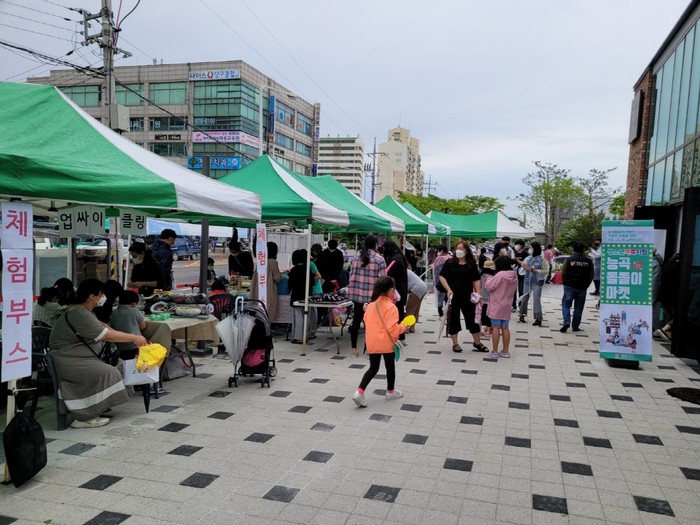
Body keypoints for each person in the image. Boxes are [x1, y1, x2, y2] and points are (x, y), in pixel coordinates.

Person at [49, 279, 148, 429]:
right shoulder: (78, 313)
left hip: (81, 357)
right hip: (68, 361)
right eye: (101, 295)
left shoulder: (83, 311)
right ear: (92, 296)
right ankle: (84, 417)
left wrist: (134, 338)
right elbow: (106, 335)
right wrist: (134, 338)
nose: (103, 298)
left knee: (119, 365)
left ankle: (100, 406)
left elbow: (105, 328)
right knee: (108, 372)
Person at [351, 276, 407, 407]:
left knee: (373, 368)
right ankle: (390, 392)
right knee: (390, 367)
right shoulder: (391, 307)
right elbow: (392, 329)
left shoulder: (371, 305)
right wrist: (404, 327)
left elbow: (366, 320)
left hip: (372, 342)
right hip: (386, 342)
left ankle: (359, 392)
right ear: (390, 291)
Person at [439, 240, 488, 353]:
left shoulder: (471, 264)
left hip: (468, 296)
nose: (458, 251)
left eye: (461, 249)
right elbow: (442, 276)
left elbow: (476, 280)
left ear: (466, 250)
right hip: (452, 296)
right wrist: (448, 289)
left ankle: (477, 342)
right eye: (457, 248)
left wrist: (478, 295)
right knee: (453, 319)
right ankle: (455, 343)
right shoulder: (449, 263)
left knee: (472, 319)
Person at [347, 234, 386, 358]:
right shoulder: (379, 259)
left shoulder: (356, 258)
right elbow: (383, 280)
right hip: (372, 297)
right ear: (375, 245)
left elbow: (351, 275)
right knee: (371, 323)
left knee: (356, 321)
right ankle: (369, 348)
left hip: (357, 295)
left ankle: (354, 349)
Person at [110, 290, 172, 360]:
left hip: (119, 348)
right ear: (133, 304)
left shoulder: (114, 313)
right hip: (135, 347)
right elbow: (143, 327)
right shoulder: (134, 311)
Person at [484, 256, 519, 358]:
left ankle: (495, 351)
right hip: (507, 304)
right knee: (505, 328)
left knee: (496, 327)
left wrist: (488, 280)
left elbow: (490, 286)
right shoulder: (514, 275)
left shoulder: (500, 275)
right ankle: (505, 351)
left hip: (497, 304)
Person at [560, 242, 594, 332]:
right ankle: (575, 326)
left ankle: (566, 322)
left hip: (569, 286)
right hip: (582, 287)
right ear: (583, 250)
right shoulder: (588, 261)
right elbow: (591, 275)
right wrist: (586, 285)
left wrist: (565, 282)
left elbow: (564, 272)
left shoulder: (569, 260)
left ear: (573, 249)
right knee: (578, 308)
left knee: (566, 305)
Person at [287, 249, 317, 346]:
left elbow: (290, 284)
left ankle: (298, 337)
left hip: (296, 296)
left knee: (298, 318)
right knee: (306, 316)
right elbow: (312, 283)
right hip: (307, 295)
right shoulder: (307, 269)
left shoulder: (294, 270)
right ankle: (306, 335)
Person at [382, 240, 408, 340]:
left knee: (396, 312)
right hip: (401, 288)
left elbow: (386, 273)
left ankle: (398, 334)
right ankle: (401, 334)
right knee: (399, 311)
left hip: (396, 290)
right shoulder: (400, 257)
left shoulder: (395, 260)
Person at [519, 241, 549, 326]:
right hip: (527, 281)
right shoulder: (527, 258)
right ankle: (522, 314)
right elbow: (522, 271)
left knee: (536, 299)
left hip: (538, 281)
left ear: (535, 249)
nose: (529, 249)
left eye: (531, 248)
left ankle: (538, 318)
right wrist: (524, 267)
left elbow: (545, 271)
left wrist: (535, 270)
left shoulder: (542, 260)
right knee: (525, 297)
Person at [250, 241, 282, 321]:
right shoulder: (273, 262)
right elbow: (277, 278)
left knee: (259, 314)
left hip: (258, 290)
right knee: (268, 314)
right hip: (268, 291)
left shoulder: (261, 261)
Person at [654, 252, 680, 342]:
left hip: (664, 295)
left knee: (668, 315)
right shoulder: (678, 267)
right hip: (672, 296)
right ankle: (665, 330)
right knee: (676, 315)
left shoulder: (668, 264)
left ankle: (667, 334)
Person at [405, 269, 428, 333]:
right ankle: (412, 327)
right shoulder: (407, 271)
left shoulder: (402, 271)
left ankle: (406, 328)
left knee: (410, 309)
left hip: (416, 288)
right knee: (415, 309)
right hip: (423, 287)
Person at [432, 245, 451, 318]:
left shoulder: (438, 259)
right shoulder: (450, 258)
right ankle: (447, 312)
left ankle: (440, 313)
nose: (437, 252)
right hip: (449, 281)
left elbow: (436, 271)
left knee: (440, 297)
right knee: (447, 297)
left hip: (440, 281)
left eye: (438, 250)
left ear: (442, 250)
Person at [479, 260, 496, 338]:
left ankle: (482, 330)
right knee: (489, 315)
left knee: (482, 315)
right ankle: (488, 330)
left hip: (481, 298)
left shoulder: (481, 276)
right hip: (490, 299)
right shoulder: (492, 277)